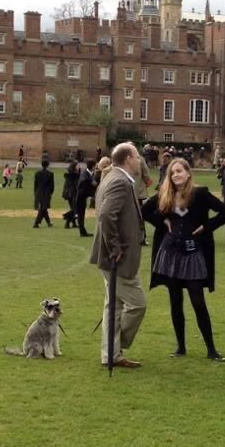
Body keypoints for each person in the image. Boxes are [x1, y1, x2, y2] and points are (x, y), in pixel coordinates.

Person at [142, 158, 225, 360]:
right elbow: (144, 211)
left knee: (198, 301)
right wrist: (163, 222)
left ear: (188, 173)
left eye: (179, 171)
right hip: (170, 252)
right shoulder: (165, 194)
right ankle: (180, 347)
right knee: (175, 300)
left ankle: (211, 350)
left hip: (194, 253)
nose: (176, 175)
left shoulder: (200, 194)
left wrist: (207, 227)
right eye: (172, 172)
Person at [89, 142, 147, 368]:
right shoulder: (120, 182)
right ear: (129, 158)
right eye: (137, 156)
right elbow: (105, 215)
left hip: (111, 256)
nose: (140, 160)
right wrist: (115, 248)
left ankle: (111, 354)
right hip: (116, 259)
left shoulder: (112, 178)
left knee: (113, 306)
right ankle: (114, 346)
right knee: (137, 304)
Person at [133, 154, 152, 246]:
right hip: (138, 193)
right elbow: (147, 176)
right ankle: (141, 238)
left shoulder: (122, 158)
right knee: (140, 216)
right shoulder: (140, 159)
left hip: (130, 193)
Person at [76, 159, 97, 237]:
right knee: (80, 215)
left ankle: (83, 231)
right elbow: (84, 180)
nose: (96, 167)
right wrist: (91, 181)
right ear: (92, 166)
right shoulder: (85, 172)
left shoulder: (89, 173)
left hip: (83, 197)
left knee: (81, 214)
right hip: (80, 197)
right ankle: (82, 232)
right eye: (95, 165)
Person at [33, 159, 54, 228]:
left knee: (43, 208)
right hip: (46, 193)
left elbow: (35, 185)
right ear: (48, 165)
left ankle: (48, 222)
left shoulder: (37, 173)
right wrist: (50, 193)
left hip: (39, 192)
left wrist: (35, 192)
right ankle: (36, 223)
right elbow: (52, 186)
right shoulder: (50, 174)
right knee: (43, 208)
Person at [62, 160, 79, 229]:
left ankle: (73, 223)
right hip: (72, 193)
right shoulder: (74, 175)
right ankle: (67, 220)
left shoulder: (70, 175)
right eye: (77, 166)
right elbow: (75, 185)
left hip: (69, 193)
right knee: (75, 209)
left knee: (73, 208)